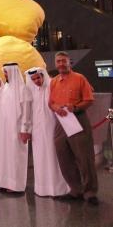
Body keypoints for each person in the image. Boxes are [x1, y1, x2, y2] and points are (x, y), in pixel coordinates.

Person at [48, 51, 98, 205]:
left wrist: (75, 107)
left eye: (64, 61)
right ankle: (75, 190)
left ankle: (90, 192)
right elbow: (50, 102)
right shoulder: (54, 82)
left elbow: (89, 99)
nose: (61, 64)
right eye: (58, 61)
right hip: (61, 122)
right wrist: (56, 108)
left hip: (78, 119)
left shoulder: (79, 78)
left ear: (70, 62)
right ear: (55, 64)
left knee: (84, 158)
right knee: (64, 158)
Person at [25, 67, 69, 197]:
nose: (36, 81)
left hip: (52, 127)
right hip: (37, 130)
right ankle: (42, 189)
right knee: (40, 157)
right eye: (33, 79)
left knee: (53, 156)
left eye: (38, 77)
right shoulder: (31, 91)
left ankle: (58, 188)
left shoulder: (52, 88)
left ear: (43, 76)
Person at [0, 63, 32, 193]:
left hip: (17, 129)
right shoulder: (6, 88)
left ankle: (16, 186)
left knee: (16, 156)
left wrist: (24, 130)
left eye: (6, 72)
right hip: (5, 128)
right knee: (5, 155)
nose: (5, 75)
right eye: (4, 72)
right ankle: (5, 182)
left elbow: (27, 111)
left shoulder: (23, 89)